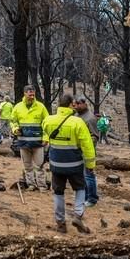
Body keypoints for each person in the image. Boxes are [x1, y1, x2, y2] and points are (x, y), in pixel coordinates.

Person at [43, 93, 96, 234]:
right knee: (80, 188)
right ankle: (78, 215)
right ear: (71, 104)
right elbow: (87, 145)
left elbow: (46, 136)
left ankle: (60, 223)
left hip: (56, 164)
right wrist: (90, 165)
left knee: (58, 192)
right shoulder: (77, 122)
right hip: (74, 164)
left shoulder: (48, 120)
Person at [11, 85, 50, 191]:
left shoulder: (41, 107)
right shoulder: (18, 107)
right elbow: (13, 121)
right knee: (27, 166)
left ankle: (42, 186)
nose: (32, 96)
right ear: (24, 93)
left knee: (39, 165)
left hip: (38, 143)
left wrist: (46, 138)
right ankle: (31, 185)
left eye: (33, 94)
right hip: (23, 142)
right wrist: (15, 129)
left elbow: (47, 123)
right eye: (29, 94)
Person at [74, 95, 99, 207]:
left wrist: (87, 148)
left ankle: (92, 198)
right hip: (78, 151)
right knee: (81, 176)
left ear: (85, 104)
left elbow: (94, 137)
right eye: (75, 104)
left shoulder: (90, 118)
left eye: (79, 104)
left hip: (87, 152)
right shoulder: (77, 116)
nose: (76, 106)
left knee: (89, 175)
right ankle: (84, 196)